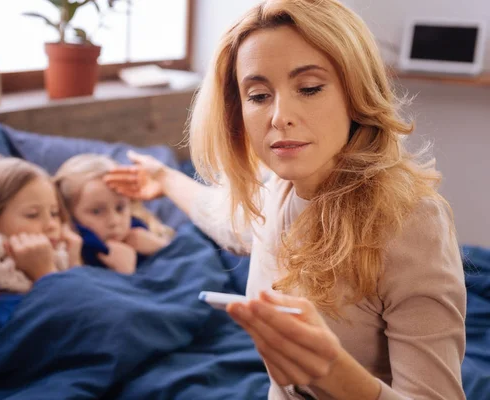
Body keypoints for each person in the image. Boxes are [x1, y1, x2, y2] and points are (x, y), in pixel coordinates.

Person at [103, 0, 467, 399]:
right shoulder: (276, 189)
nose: (280, 116)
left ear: (355, 92)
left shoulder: (412, 221)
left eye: (309, 88)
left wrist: (334, 372)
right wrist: (163, 178)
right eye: (258, 95)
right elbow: (226, 220)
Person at [0, 153, 82, 347]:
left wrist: (75, 263)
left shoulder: (64, 258)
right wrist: (45, 274)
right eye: (32, 215)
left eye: (54, 213)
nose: (51, 224)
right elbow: (74, 332)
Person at [53, 154, 174, 275]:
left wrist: (163, 247)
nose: (114, 221)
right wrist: (125, 273)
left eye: (120, 208)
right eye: (96, 211)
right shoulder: (68, 259)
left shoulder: (143, 229)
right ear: (69, 214)